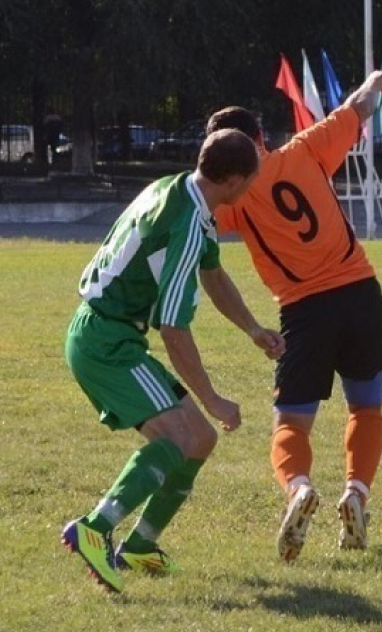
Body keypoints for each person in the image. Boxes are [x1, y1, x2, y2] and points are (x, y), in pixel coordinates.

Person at [61, 129, 285, 593]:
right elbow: (174, 330)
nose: (250, 190)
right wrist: (214, 398)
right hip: (106, 342)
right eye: (251, 180)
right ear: (234, 179)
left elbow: (214, 273)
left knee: (199, 439)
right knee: (182, 434)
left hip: (109, 334)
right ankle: (94, 528)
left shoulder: (177, 190)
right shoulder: (185, 225)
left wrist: (252, 329)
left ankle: (140, 546)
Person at [207, 69, 382, 562]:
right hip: (362, 296)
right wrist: (375, 81)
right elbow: (358, 106)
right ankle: (356, 494)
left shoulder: (234, 194)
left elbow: (200, 212)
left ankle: (299, 489)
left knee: (291, 423)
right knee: (366, 409)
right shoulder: (307, 148)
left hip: (304, 313)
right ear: (262, 138)